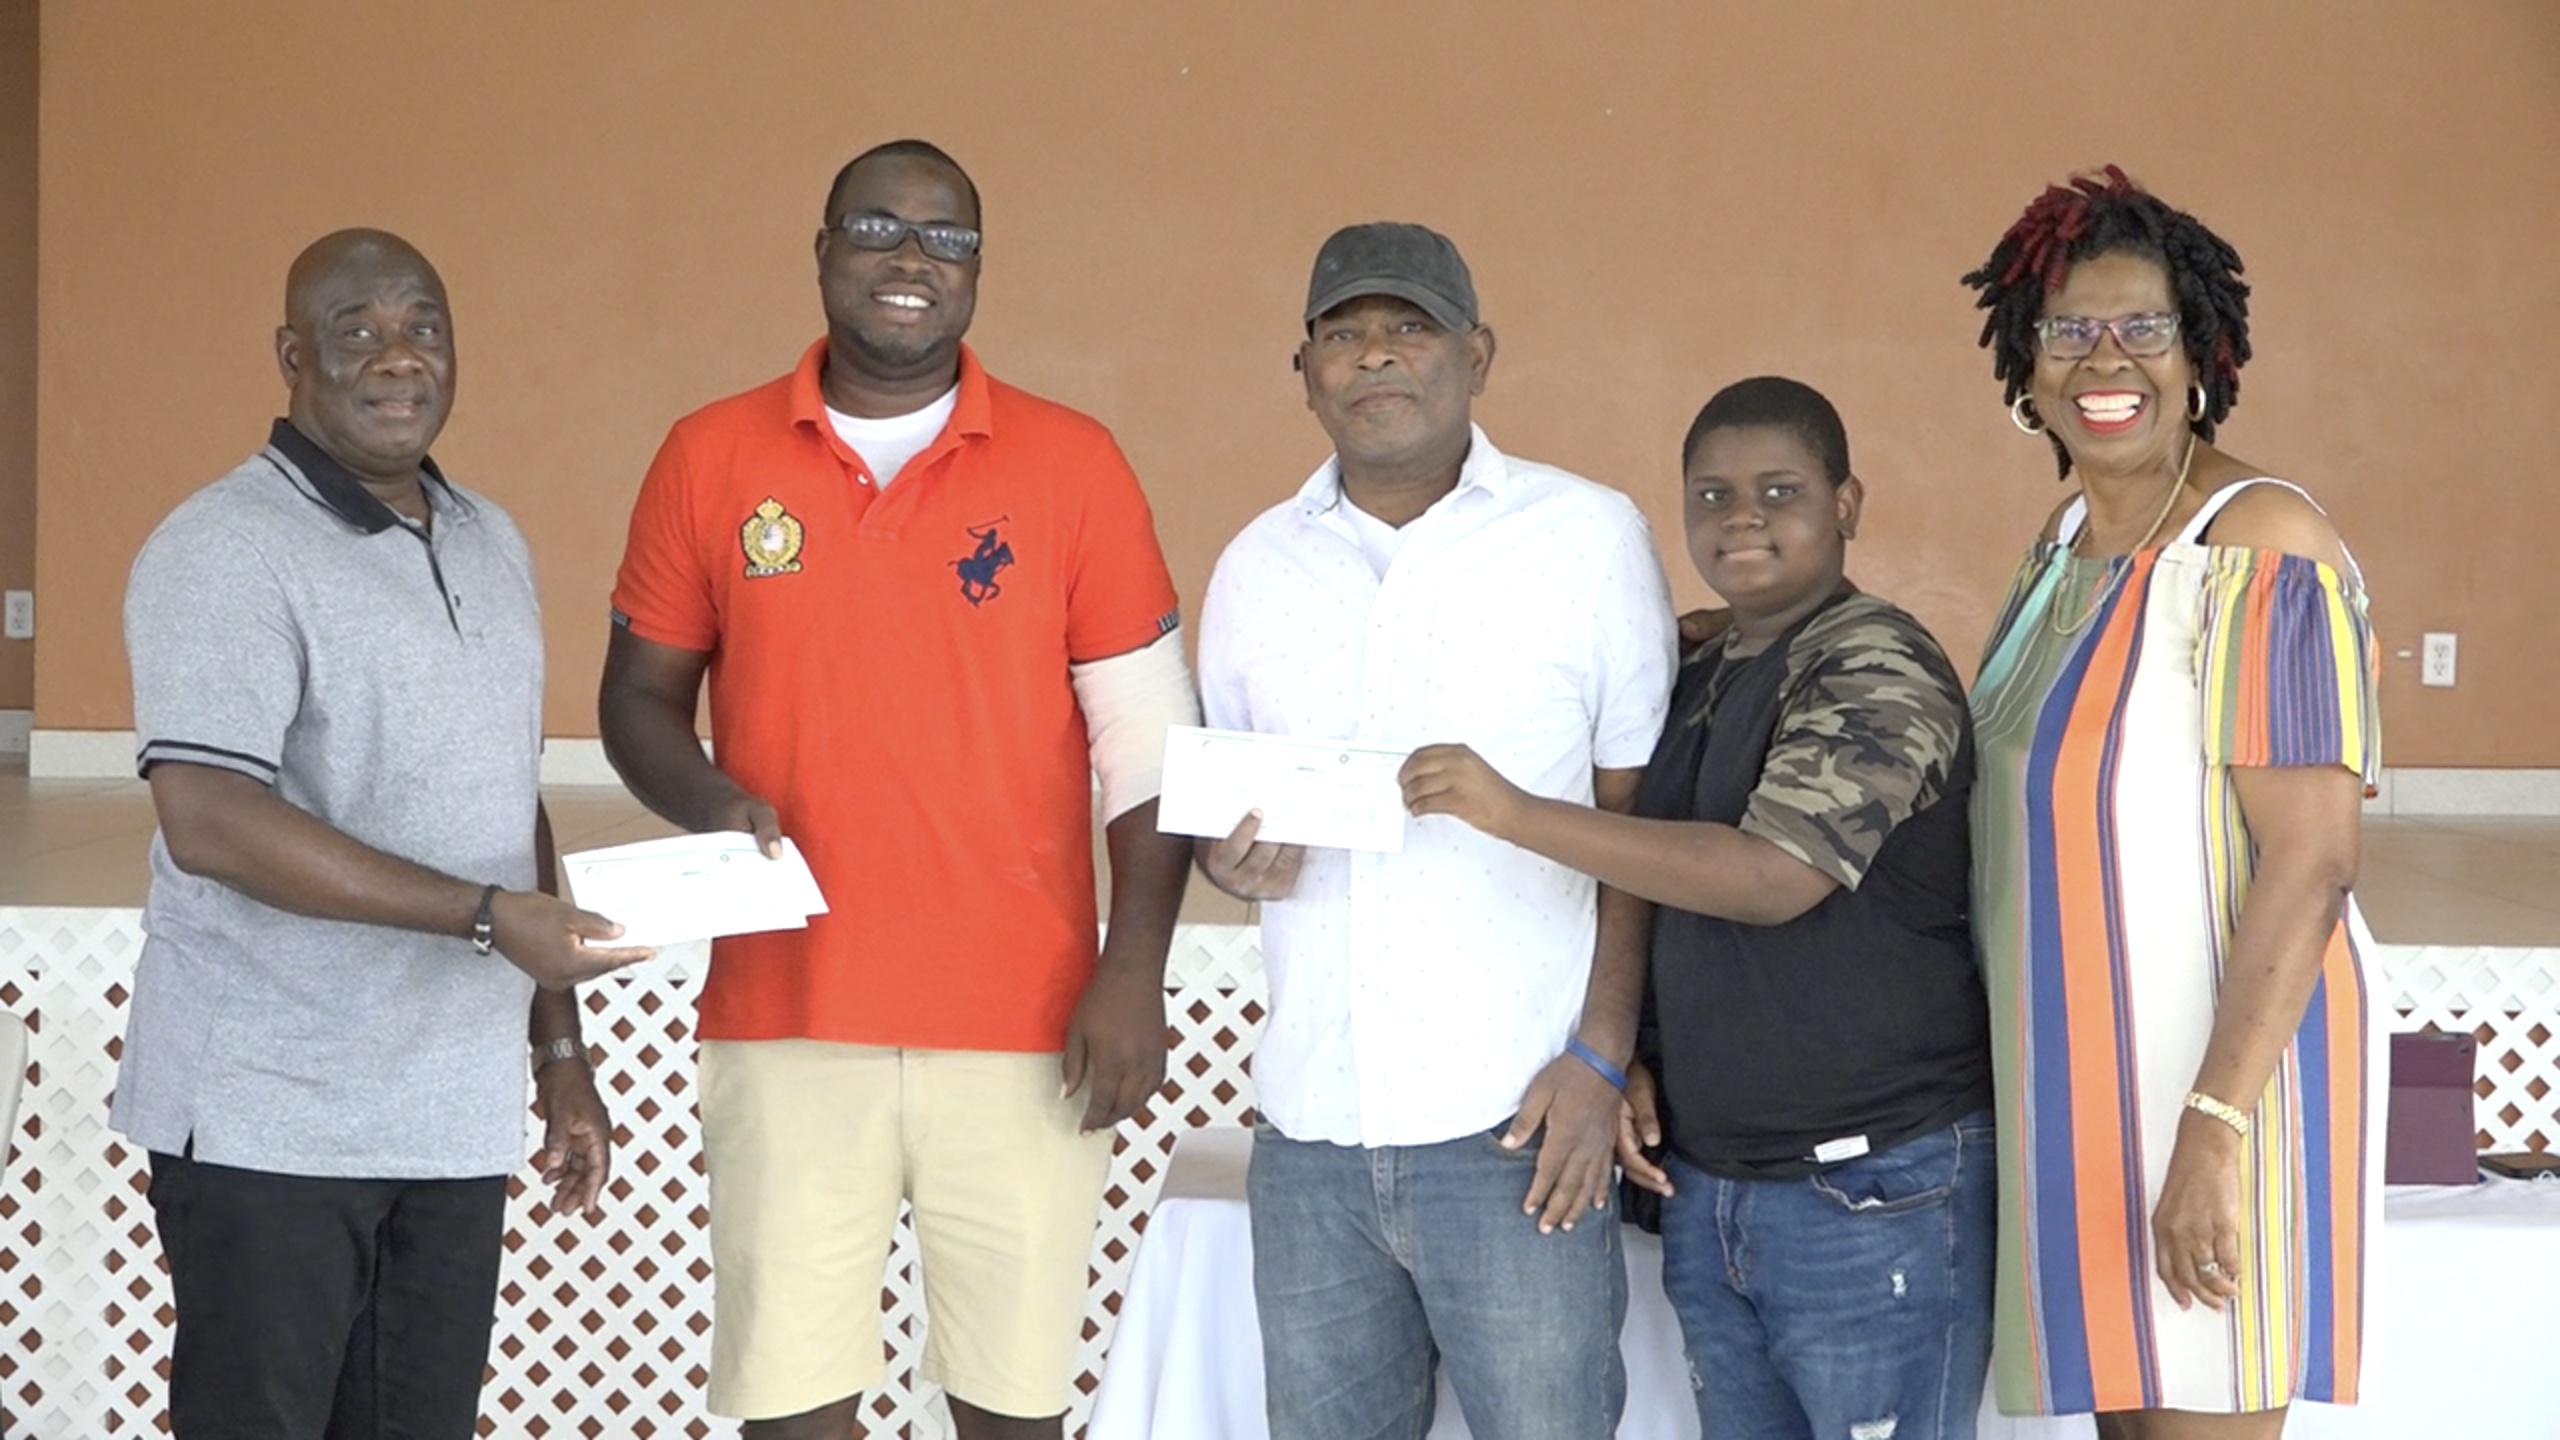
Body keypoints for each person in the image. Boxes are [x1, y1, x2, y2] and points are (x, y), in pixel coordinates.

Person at [598, 140, 1197, 1440]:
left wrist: (1134, 968)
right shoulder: (711, 456)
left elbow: (1148, 748)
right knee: (791, 1405)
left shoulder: (1074, 464)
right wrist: (708, 800)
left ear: (978, 270)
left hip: (1028, 1020)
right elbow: (637, 700)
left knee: (1014, 1408)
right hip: (786, 1006)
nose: (912, 259)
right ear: (821, 250)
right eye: (877, 226)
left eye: (948, 238)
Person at [116, 228, 648, 1438]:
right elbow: (212, 823)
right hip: (271, 1115)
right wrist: (481, 916)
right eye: (357, 331)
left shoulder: (487, 540)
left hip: (445, 1113)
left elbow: (507, 798)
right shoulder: (222, 549)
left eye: (423, 328)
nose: (396, 358)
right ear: (292, 356)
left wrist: (558, 1052)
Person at [1402, 375, 1996, 1440]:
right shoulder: (1704, 662)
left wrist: (1509, 811)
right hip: (1719, 1187)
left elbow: (1769, 878)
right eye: (1713, 497)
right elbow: (1661, 880)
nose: (1744, 518)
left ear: (1846, 505)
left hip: (1874, 1189)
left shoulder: (1876, 665)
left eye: (1780, 490)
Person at [1195, 221, 1676, 1440]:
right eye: (1344, 334)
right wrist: (1231, 859)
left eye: (1407, 328)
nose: (1375, 358)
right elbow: (1227, 819)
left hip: (1516, 1120)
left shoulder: (1587, 537)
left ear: (1477, 354)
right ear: (1302, 369)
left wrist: (1603, 1058)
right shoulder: (1255, 567)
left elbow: (1640, 824)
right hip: (1311, 1132)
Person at [1959, 167, 2379, 1439]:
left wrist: (2210, 1133)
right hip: (2082, 1086)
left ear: (2201, 354)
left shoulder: (2256, 549)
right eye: (2067, 330)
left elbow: (2310, 863)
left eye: (2142, 326)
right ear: (2024, 368)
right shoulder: (2063, 544)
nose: (2105, 358)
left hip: (2217, 1086)